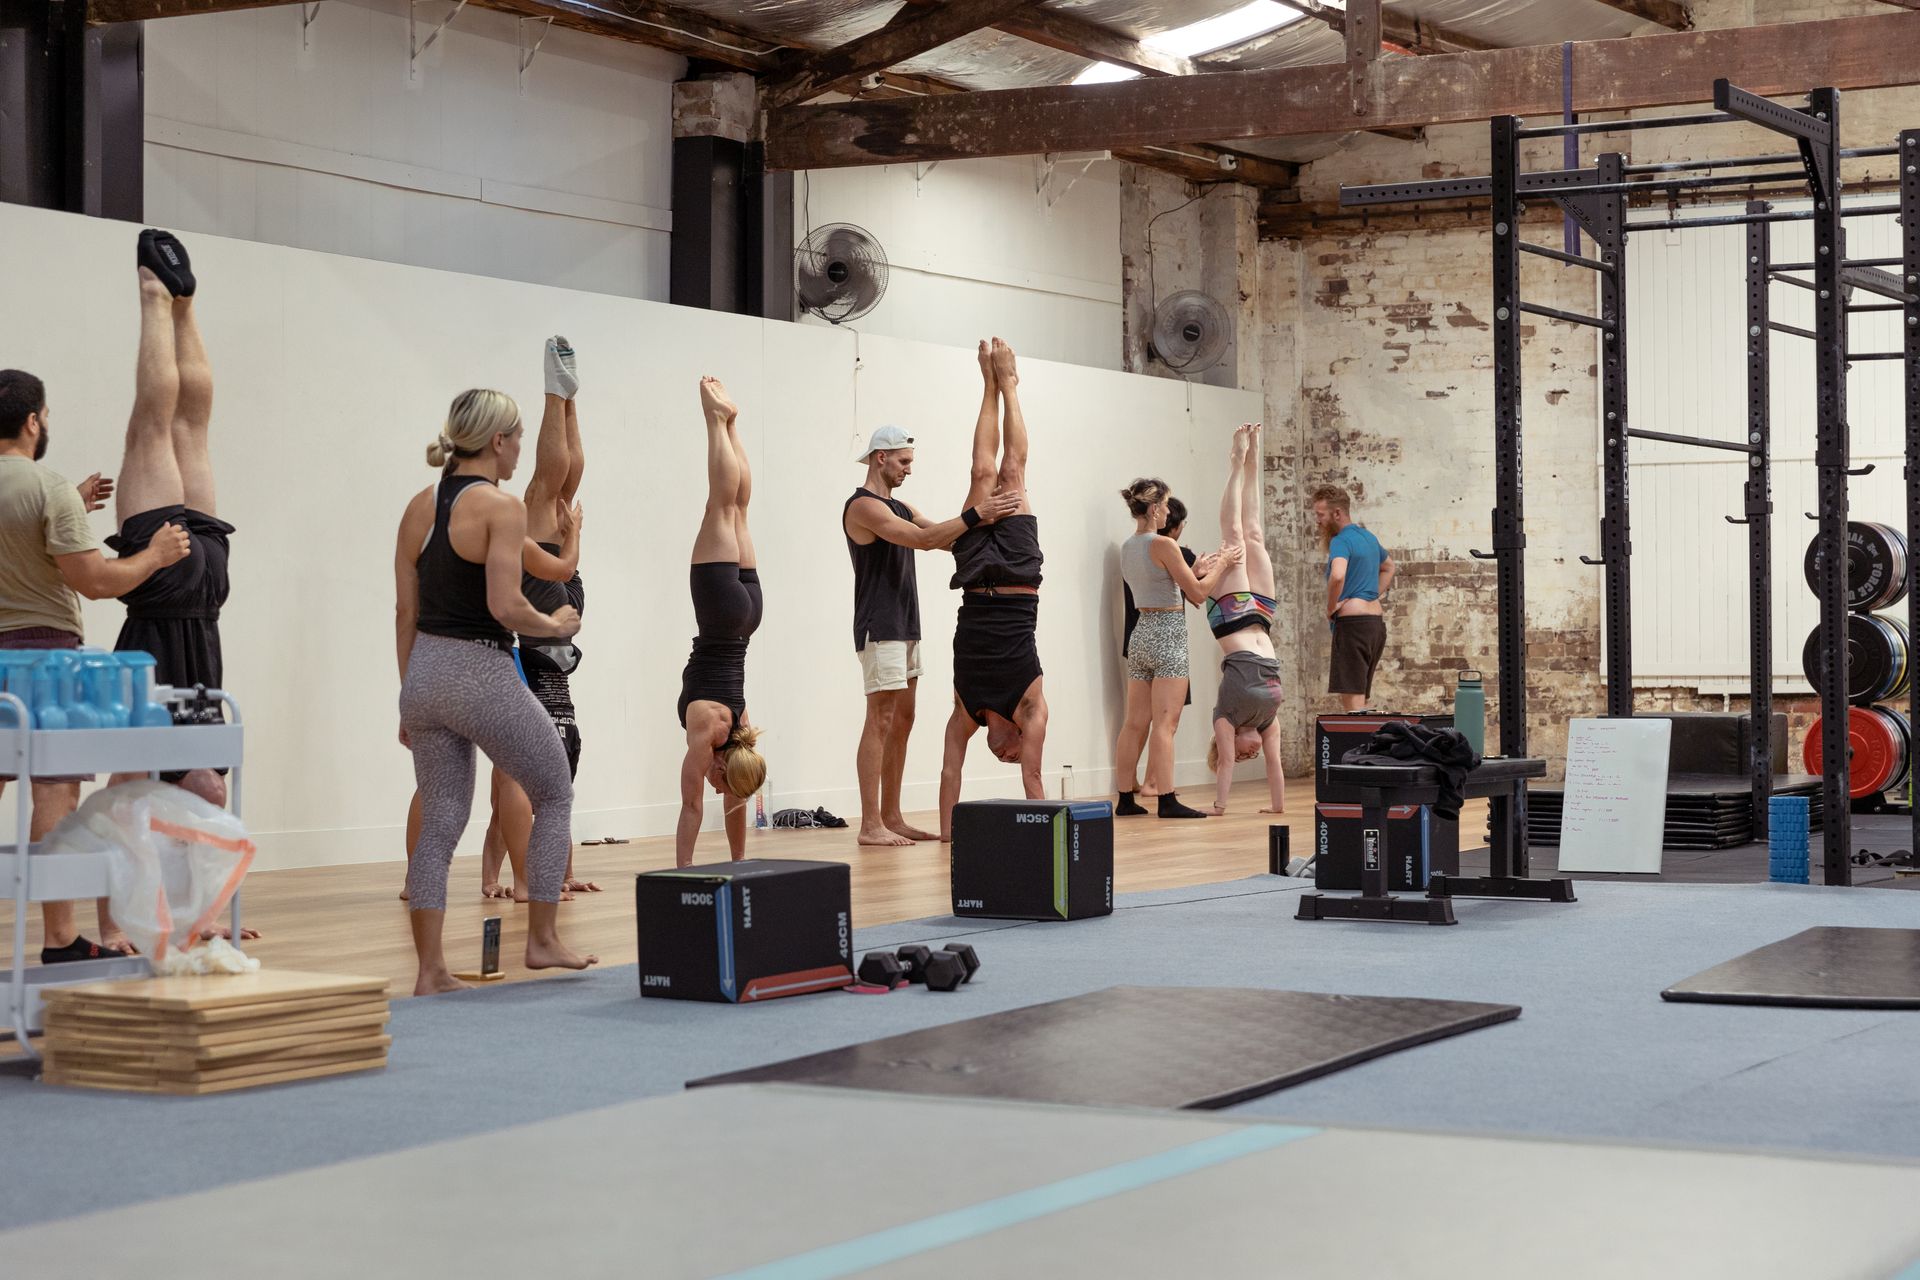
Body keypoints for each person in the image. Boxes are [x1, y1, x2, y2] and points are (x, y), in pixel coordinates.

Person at [394, 387, 595, 995]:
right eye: (519, 443)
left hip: (425, 672)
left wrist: (409, 694)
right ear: (500, 441)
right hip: (479, 669)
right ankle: (541, 939)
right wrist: (554, 626)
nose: (519, 456)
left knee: (442, 821)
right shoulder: (500, 506)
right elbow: (505, 604)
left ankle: (430, 972)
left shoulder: (419, 506)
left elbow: (406, 612)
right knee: (554, 790)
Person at [0, 336, 191, 964]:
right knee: (55, 792)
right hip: (43, 658)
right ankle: (60, 940)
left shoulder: (46, 494)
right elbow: (96, 581)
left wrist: (70, 511)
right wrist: (154, 555)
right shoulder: (44, 486)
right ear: (33, 420)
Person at [842, 413, 1018, 849]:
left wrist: (987, 520)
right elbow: (921, 540)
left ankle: (892, 816)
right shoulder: (863, 506)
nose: (908, 469)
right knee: (880, 718)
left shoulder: (902, 506)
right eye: (902, 462)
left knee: (903, 719)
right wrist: (978, 513)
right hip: (879, 626)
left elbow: (942, 536)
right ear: (880, 458)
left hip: (905, 624)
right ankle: (870, 824)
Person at [103, 230, 233, 818]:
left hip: (171, 606)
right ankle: (175, 301)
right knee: (176, 428)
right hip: (199, 612)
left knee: (167, 428)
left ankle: (163, 296)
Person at [482, 337, 591, 899]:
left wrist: (564, 875)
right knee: (551, 490)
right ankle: (557, 393)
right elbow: (507, 800)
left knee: (561, 488)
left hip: (552, 623)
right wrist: (494, 878)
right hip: (538, 628)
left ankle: (564, 397)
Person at [937, 338, 1046, 840]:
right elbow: (1035, 777)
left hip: (976, 579)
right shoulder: (1031, 709)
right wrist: (1043, 832)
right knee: (1012, 473)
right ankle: (1010, 384)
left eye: (1003, 755)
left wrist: (947, 836)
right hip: (1020, 577)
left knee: (982, 473)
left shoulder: (967, 711)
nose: (1009, 755)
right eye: (1013, 753)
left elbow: (949, 773)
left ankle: (987, 383)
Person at [675, 376, 769, 869]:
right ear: (721, 765)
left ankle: (733, 425)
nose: (716, 789)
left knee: (741, 510)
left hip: (748, 617)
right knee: (720, 504)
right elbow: (692, 806)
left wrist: (738, 862)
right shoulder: (707, 736)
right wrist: (682, 872)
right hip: (719, 612)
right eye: (720, 781)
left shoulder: (741, 730)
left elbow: (733, 802)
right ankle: (715, 419)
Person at [1113, 479, 1239, 819]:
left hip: (1140, 633)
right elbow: (1197, 595)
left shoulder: (1128, 545)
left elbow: (1161, 582)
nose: (1168, 511)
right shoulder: (1164, 545)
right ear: (1154, 509)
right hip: (1167, 634)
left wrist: (1192, 571)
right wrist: (1223, 564)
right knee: (1166, 723)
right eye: (1165, 505)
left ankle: (1125, 799)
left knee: (1133, 723)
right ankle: (1166, 799)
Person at [1206, 424, 1285, 817]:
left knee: (1233, 536)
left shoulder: (1225, 718)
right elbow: (1276, 764)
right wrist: (1278, 807)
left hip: (1232, 619)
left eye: (1243, 754)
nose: (1248, 754)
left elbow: (1225, 764)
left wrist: (1220, 806)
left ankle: (1235, 464)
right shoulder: (1268, 719)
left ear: (1229, 741)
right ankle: (1254, 458)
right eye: (1248, 755)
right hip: (1263, 618)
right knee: (1254, 536)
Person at [1313, 483, 1393, 712]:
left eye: (1321, 515)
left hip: (1353, 626)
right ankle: (1366, 746)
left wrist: (1330, 608)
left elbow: (1337, 575)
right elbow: (1389, 567)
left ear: (1337, 513)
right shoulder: (1368, 537)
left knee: (1353, 702)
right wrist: (1370, 594)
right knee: (1362, 699)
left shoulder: (1340, 541)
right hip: (1375, 625)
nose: (1318, 521)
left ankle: (1356, 748)